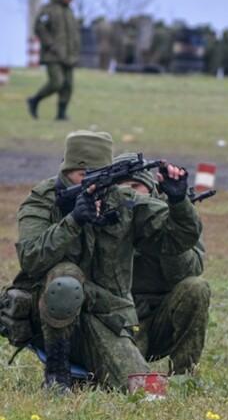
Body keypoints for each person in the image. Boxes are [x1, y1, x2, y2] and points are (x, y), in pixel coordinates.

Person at [8, 132, 200, 392]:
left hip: (107, 318)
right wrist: (73, 221)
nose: (91, 185)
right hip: (51, 322)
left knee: (145, 393)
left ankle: (88, 375)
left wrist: (178, 203)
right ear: (67, 171)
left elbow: (179, 239)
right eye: (81, 175)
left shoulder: (121, 200)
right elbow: (30, 259)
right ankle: (57, 374)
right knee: (66, 276)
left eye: (98, 175)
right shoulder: (44, 200)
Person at [114, 154, 211, 375]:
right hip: (116, 322)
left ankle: (184, 375)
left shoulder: (175, 218)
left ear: (150, 189)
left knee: (196, 288)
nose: (130, 193)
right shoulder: (103, 218)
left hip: (160, 321)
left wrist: (168, 232)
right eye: (122, 188)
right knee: (122, 381)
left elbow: (189, 273)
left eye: (136, 186)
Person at [27, 0, 80, 121]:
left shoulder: (69, 12)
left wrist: (75, 51)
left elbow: (74, 34)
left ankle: (61, 114)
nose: (70, 0)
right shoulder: (48, 9)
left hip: (69, 56)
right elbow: (39, 27)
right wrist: (50, 44)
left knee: (68, 86)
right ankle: (35, 100)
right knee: (57, 82)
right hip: (53, 55)